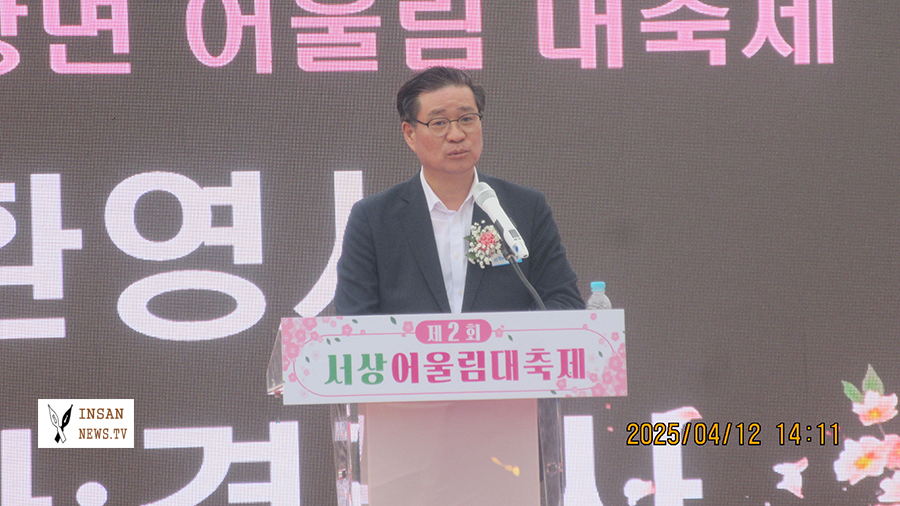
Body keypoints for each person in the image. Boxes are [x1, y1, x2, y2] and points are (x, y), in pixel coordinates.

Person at [335, 66, 584, 316]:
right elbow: (354, 318)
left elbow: (564, 301)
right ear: (410, 134)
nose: (456, 135)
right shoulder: (373, 218)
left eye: (467, 119)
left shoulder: (526, 207)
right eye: (439, 123)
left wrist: (510, 334)